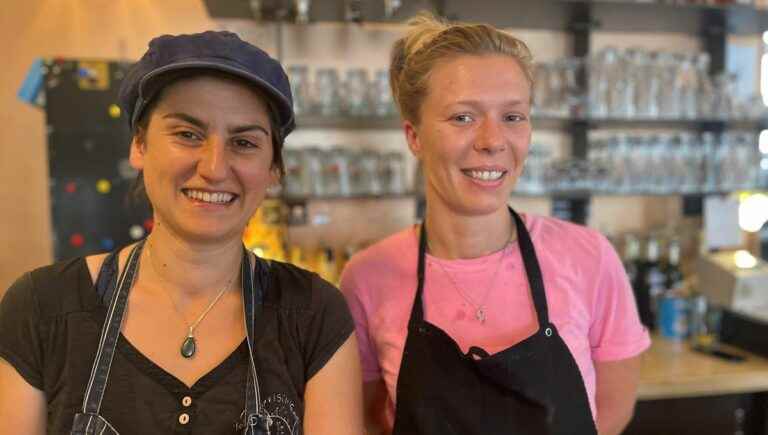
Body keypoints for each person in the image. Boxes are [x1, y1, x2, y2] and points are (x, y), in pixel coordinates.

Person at [0, 31, 363, 435]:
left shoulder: (314, 316)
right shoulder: (41, 309)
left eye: (243, 142)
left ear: (273, 170)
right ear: (139, 144)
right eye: (188, 134)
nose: (214, 167)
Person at [340, 13, 651, 435]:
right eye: (463, 117)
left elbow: (612, 412)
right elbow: (366, 421)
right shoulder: (367, 277)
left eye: (513, 116)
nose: (492, 141)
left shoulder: (589, 258)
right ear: (413, 136)